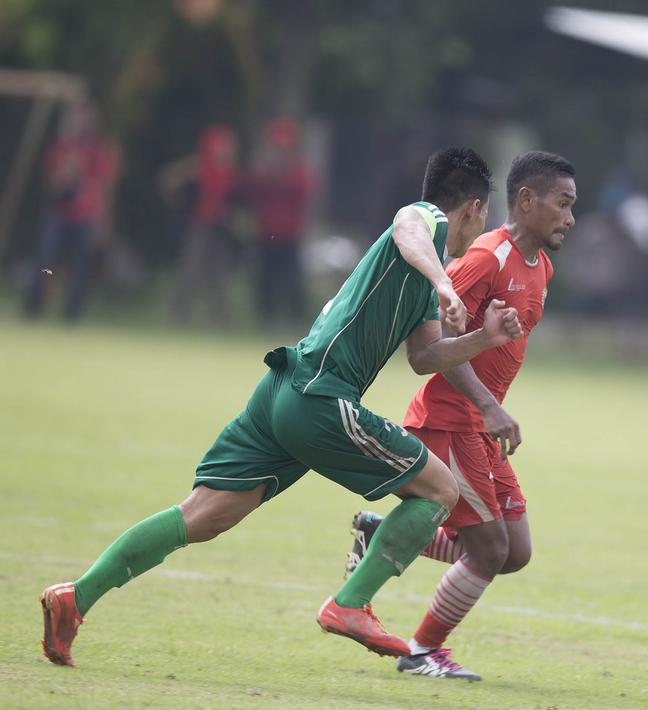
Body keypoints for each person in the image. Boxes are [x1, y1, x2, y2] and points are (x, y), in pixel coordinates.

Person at [39, 147, 525, 668]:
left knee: (201, 517)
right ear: (473, 207)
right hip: (319, 393)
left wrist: (481, 337)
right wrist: (444, 281)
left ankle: (75, 598)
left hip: (283, 391)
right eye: (484, 217)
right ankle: (351, 604)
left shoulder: (425, 277)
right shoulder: (425, 221)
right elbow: (407, 223)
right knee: (440, 489)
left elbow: (425, 357)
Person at [345, 151, 577, 681]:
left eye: (572, 206)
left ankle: (383, 532)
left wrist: (491, 410)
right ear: (525, 200)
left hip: (479, 425)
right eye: (561, 204)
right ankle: (423, 651)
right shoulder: (485, 258)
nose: (569, 217)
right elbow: (436, 342)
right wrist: (490, 406)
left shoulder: (542, 265)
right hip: (451, 420)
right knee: (490, 548)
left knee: (514, 552)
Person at [23, 99, 121, 321]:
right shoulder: (61, 147)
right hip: (60, 214)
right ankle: (34, 308)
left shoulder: (102, 150)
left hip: (87, 216)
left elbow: (106, 188)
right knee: (45, 261)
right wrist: (68, 167)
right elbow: (52, 185)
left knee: (81, 267)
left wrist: (104, 222)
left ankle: (72, 315)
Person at [169, 124, 241, 327]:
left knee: (218, 276)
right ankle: (179, 316)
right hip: (200, 225)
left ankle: (220, 321)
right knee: (190, 272)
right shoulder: (201, 166)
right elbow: (171, 180)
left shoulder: (229, 173)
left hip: (220, 228)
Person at [249, 117, 317, 327]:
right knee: (265, 280)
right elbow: (253, 190)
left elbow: (304, 192)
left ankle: (296, 321)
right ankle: (266, 319)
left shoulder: (298, 170)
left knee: (293, 281)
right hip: (266, 232)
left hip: (290, 234)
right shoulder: (263, 168)